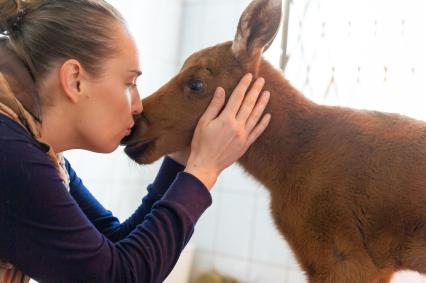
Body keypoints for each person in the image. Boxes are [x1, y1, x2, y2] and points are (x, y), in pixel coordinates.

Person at [0, 1, 271, 282]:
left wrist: (182, 159)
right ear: (75, 80)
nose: (138, 105)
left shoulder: (41, 156)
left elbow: (114, 244)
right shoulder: (10, 153)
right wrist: (202, 172)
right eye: (129, 83)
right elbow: (119, 277)